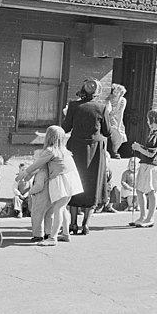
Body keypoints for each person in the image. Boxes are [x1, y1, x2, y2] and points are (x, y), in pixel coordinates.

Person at [16, 125, 83, 246]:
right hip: (71, 180)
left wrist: (24, 174)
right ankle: (65, 234)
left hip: (61, 180)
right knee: (63, 208)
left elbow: (37, 164)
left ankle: (53, 238)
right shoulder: (65, 152)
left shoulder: (50, 151)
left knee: (58, 209)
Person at [62, 78, 112, 235]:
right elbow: (107, 132)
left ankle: (73, 224)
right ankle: (86, 225)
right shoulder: (102, 108)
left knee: (75, 181)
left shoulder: (74, 106)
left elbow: (65, 127)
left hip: (76, 147)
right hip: (95, 149)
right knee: (92, 183)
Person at [130, 109, 157, 228]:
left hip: (151, 166)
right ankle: (142, 216)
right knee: (140, 190)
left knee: (151, 192)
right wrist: (139, 147)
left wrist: (138, 148)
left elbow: (151, 153)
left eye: (148, 119)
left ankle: (149, 218)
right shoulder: (156, 132)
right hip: (148, 164)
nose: (147, 122)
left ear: (153, 120)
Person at [28, 150, 55, 242]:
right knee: (49, 215)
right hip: (50, 196)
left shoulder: (41, 173)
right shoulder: (49, 171)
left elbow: (39, 186)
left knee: (37, 216)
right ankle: (49, 232)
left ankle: (38, 234)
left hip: (41, 197)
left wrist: (31, 191)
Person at [105, 83, 128, 159]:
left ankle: (115, 151)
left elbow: (121, 112)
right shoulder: (109, 98)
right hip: (109, 118)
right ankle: (110, 151)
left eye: (117, 92)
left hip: (117, 119)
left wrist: (118, 125)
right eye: (114, 91)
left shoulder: (122, 100)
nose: (115, 94)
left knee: (120, 135)